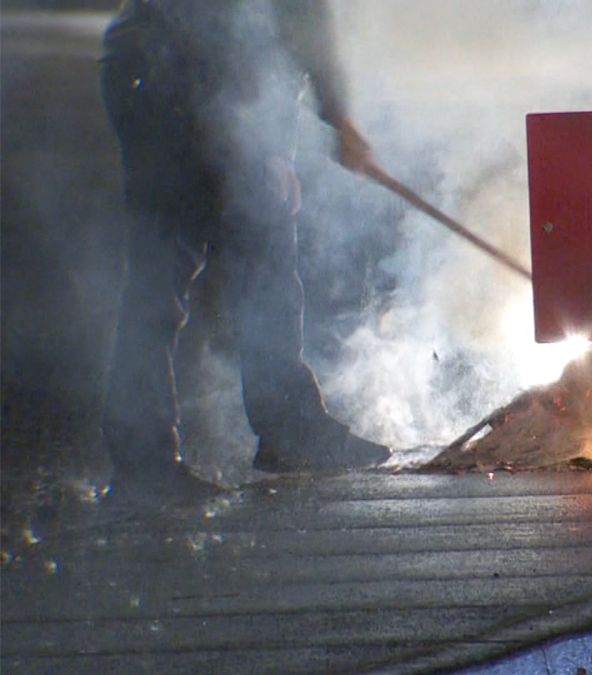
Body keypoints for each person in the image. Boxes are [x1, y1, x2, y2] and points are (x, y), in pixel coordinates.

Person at [98, 0, 391, 503]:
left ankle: (289, 431)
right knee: (166, 265)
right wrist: (291, 138)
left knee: (260, 245)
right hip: (165, 73)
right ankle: (144, 463)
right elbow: (274, 27)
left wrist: (326, 120)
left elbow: (283, 30)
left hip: (173, 64)